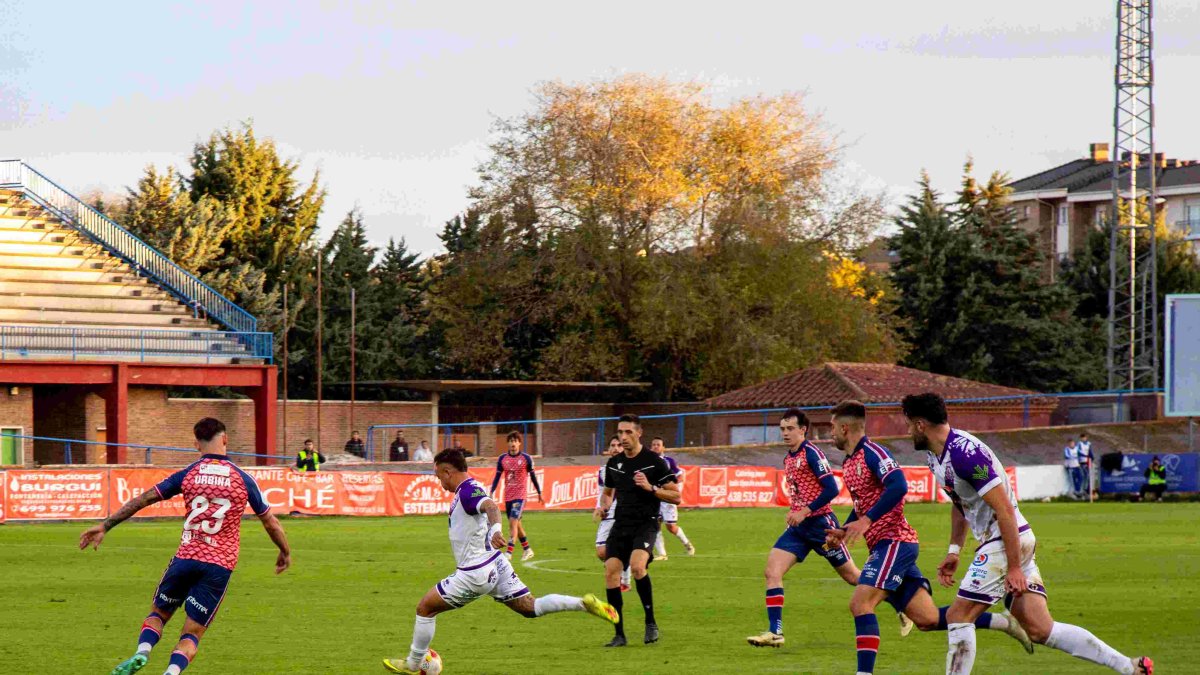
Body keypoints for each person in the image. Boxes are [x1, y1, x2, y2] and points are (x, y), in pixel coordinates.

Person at [901, 392, 1152, 675]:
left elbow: (1005, 510)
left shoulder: (965, 454)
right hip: (1006, 541)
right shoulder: (936, 458)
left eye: (909, 424)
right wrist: (954, 551)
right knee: (1040, 629)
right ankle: (1130, 667)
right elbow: (961, 506)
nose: (907, 431)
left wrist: (1015, 567)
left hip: (1006, 541)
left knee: (959, 616)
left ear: (921, 424)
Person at [823, 400, 1031, 675]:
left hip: (895, 542)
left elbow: (898, 485)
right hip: (885, 546)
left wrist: (867, 521)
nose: (830, 434)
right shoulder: (850, 462)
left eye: (832, 428)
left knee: (860, 603)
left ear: (844, 427)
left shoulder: (873, 453)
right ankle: (1003, 623)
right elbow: (863, 503)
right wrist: (847, 528)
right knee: (927, 619)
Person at [79, 417, 291, 675]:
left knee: (158, 614)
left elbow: (145, 498)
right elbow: (270, 522)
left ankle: (142, 651)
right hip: (218, 566)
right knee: (192, 634)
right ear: (225, 439)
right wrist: (284, 551)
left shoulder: (188, 474)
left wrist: (105, 525)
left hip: (186, 557)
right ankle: (171, 673)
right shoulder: (242, 479)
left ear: (196, 444)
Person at [382, 449, 617, 674]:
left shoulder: (467, 490)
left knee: (425, 608)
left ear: (447, 472)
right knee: (530, 607)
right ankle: (583, 603)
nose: (440, 484)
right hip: (495, 564)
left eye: (438, 477)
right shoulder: (469, 489)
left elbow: (490, 506)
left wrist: (496, 529)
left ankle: (413, 664)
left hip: (475, 572)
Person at [746, 408, 914, 648]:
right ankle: (776, 632)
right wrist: (796, 511)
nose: (785, 433)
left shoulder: (812, 454)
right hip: (799, 530)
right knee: (772, 572)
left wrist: (805, 510)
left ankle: (902, 604)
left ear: (803, 430)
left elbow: (831, 489)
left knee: (854, 577)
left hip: (821, 526)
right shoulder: (789, 457)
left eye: (790, 428)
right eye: (782, 429)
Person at [594, 414, 681, 647]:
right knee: (611, 571)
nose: (623, 437)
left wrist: (651, 487)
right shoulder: (614, 463)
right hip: (621, 524)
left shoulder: (654, 461)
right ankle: (619, 633)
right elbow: (608, 493)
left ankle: (650, 622)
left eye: (628, 432)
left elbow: (676, 495)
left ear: (639, 433)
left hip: (646, 522)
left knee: (637, 566)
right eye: (620, 432)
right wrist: (603, 507)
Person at [490, 431, 543, 561]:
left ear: (519, 443)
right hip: (508, 496)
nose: (513, 443)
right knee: (516, 524)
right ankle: (527, 549)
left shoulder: (526, 458)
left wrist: (539, 493)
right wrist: (492, 491)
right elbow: (497, 476)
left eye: (515, 441)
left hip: (520, 495)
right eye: (511, 441)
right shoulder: (503, 459)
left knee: (513, 522)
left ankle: (509, 553)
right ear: (507, 443)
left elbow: (533, 476)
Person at [595, 436, 632, 592]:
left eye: (618, 445)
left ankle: (625, 581)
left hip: (625, 514)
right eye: (612, 445)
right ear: (609, 450)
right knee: (601, 551)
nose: (615, 448)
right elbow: (602, 493)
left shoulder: (631, 468)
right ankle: (618, 571)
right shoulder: (603, 471)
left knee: (620, 548)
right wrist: (599, 508)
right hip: (608, 515)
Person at [650, 437, 695, 561]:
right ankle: (662, 554)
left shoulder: (668, 461)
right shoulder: (647, 462)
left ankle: (688, 545)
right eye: (653, 444)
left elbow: (680, 477)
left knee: (671, 527)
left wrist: (671, 490)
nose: (655, 447)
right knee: (655, 524)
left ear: (663, 447)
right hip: (654, 497)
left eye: (658, 445)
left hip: (667, 498)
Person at [1078, 433, 1095, 497]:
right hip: (1082, 462)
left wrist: (1092, 458)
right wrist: (1085, 455)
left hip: (1088, 461)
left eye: (1084, 437)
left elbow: (1090, 451)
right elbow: (1079, 452)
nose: (1084, 439)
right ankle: (1083, 490)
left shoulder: (1088, 443)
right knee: (1085, 476)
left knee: (1088, 476)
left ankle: (1087, 490)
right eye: (1082, 438)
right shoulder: (1079, 444)